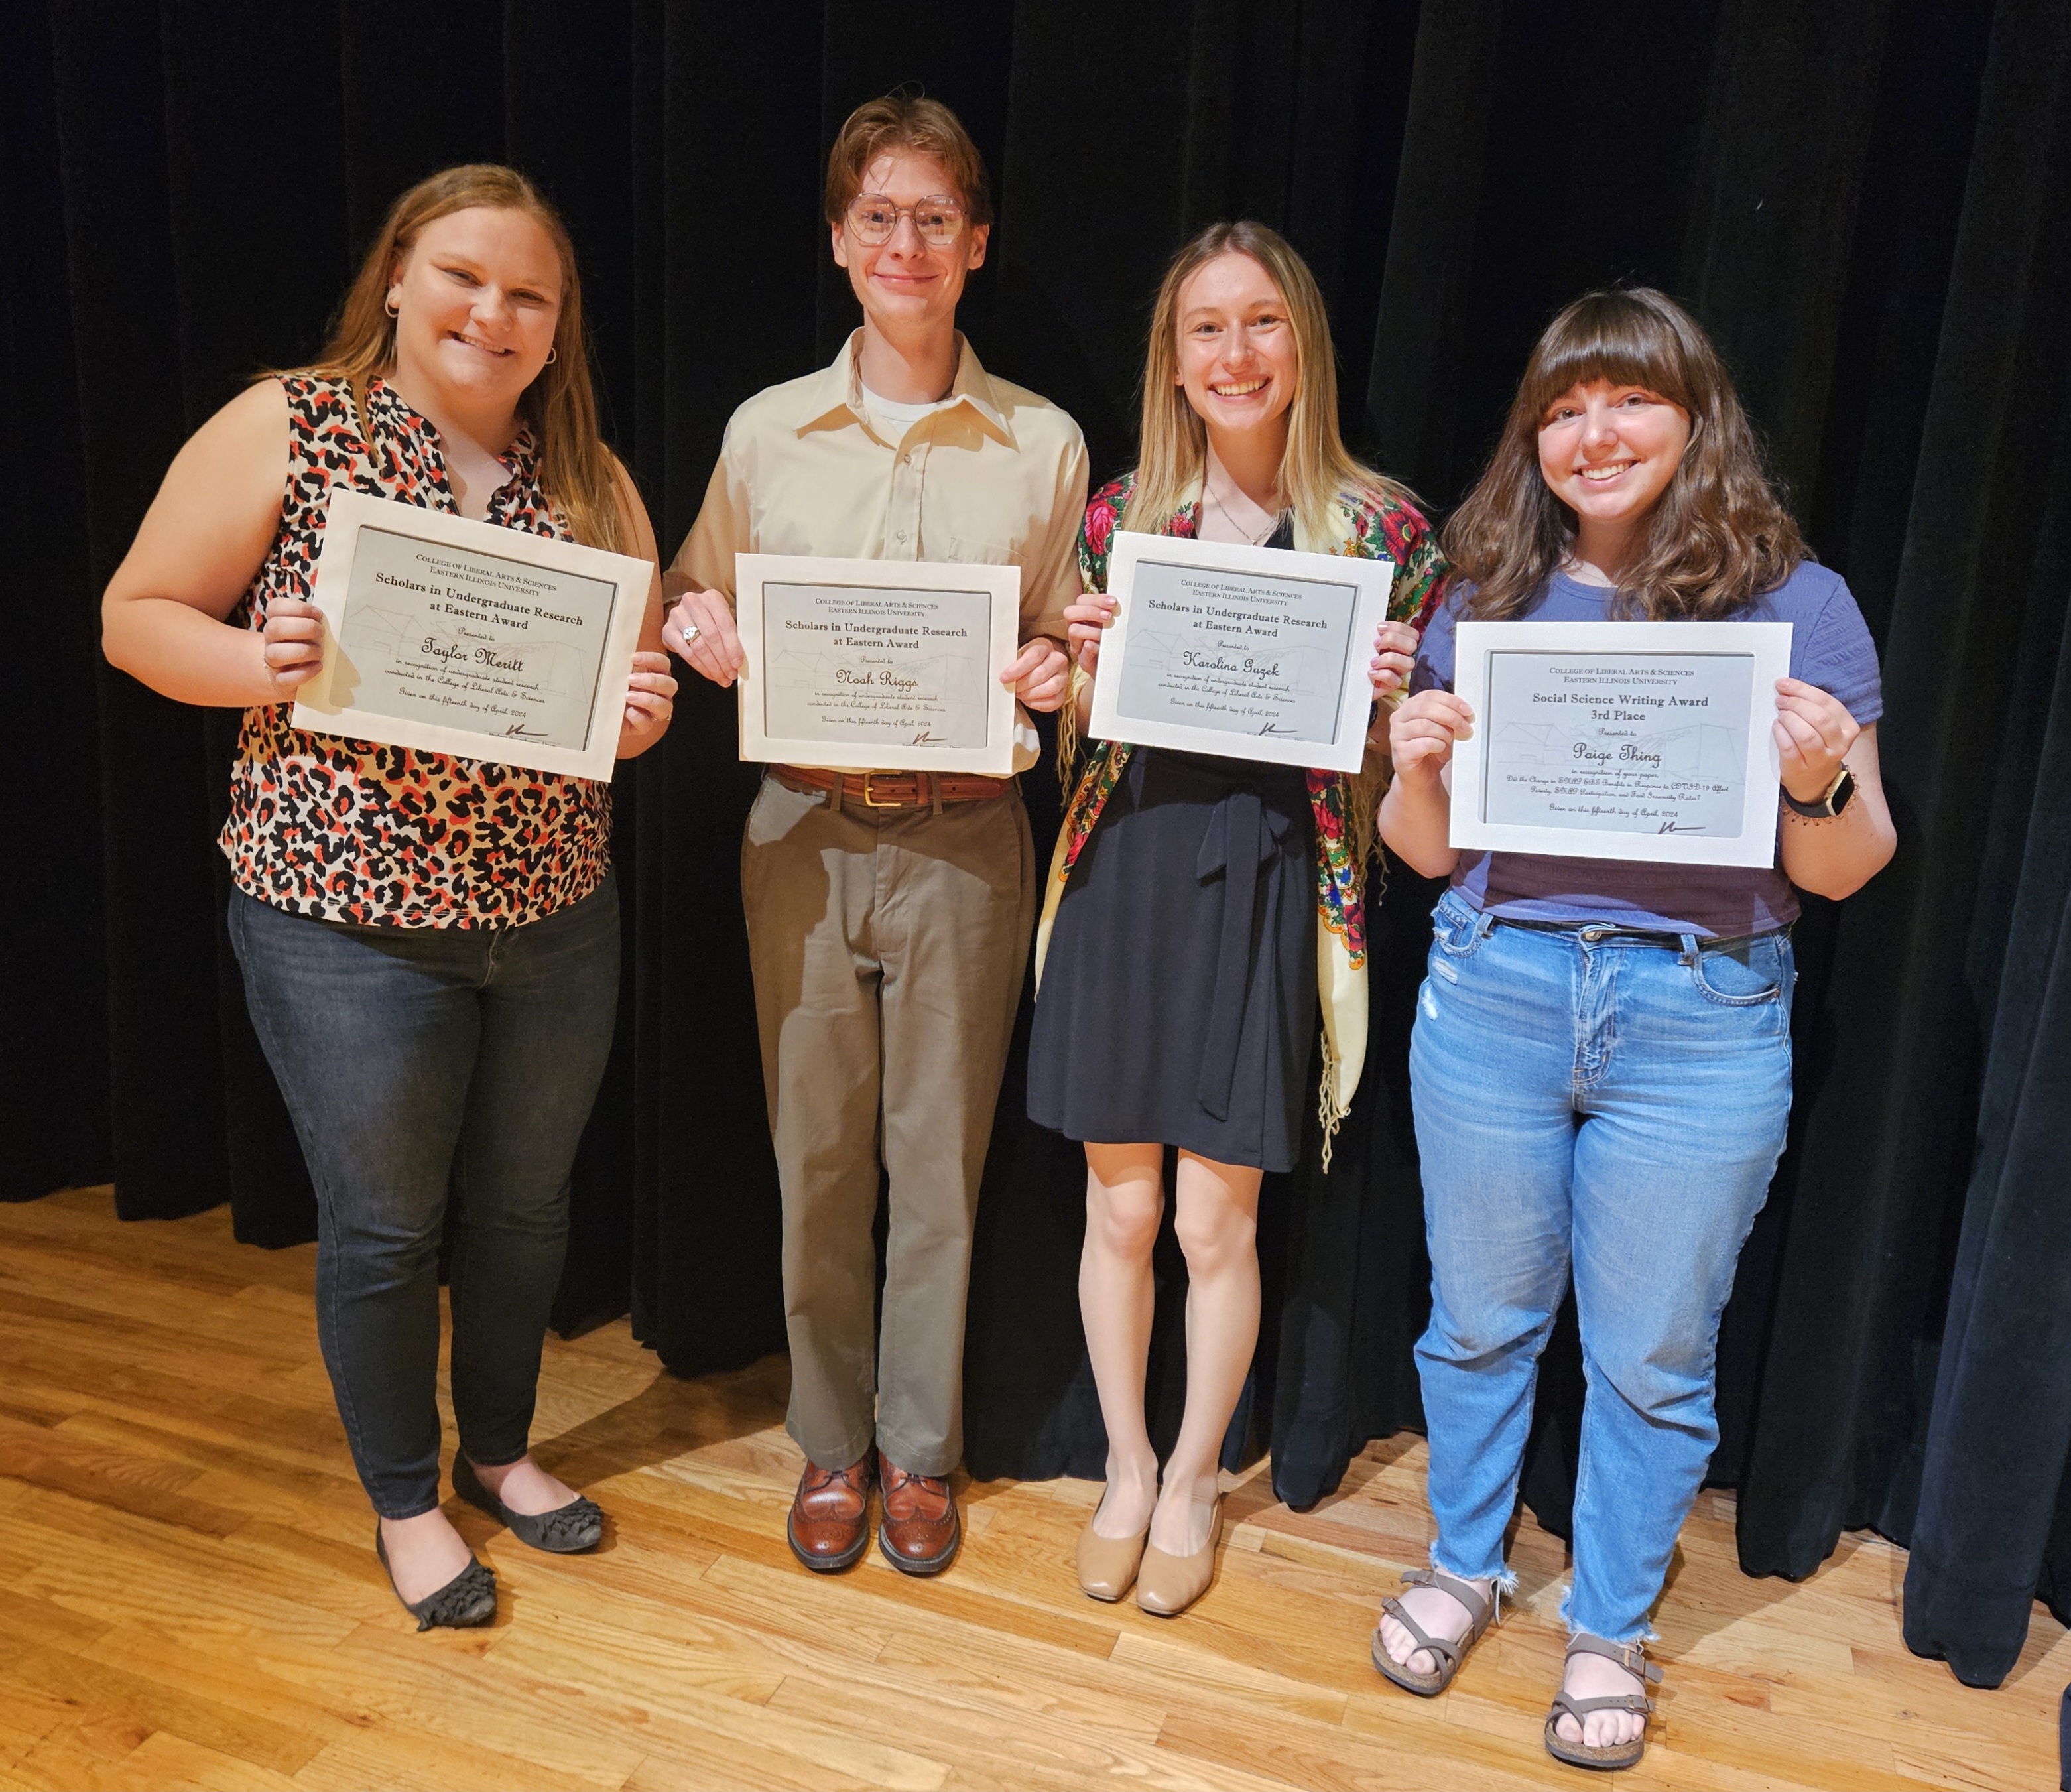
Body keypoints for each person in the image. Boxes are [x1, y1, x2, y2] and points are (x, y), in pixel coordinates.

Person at [101, 164, 675, 1632]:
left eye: (528, 292)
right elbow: (136, 615)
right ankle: (408, 1503)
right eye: (463, 277)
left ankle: (497, 1447)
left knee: (527, 1210)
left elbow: (625, 695)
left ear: (558, 325)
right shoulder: (292, 425)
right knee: (384, 1225)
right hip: (343, 918)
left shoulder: (594, 478)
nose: (493, 311)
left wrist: (639, 716)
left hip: (552, 908)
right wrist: (259, 664)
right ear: (401, 277)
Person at [1372, 288, 1895, 1770]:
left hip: (1701, 1009)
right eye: (1561, 408)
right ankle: (1463, 1559)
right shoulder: (1477, 595)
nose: (1591, 435)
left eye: (1626, 401)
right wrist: (1408, 761)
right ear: (1531, 437)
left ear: (1691, 416)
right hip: (1494, 986)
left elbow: (1844, 866)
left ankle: (1607, 1623)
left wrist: (1813, 780)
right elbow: (1424, 850)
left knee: (1653, 1355)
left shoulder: (1797, 602)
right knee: (1475, 1319)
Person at [662, 95, 1086, 1578]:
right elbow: (688, 598)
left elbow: (1066, 641)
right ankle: (828, 1443)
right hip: (799, 827)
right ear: (840, 241)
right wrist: (696, 621)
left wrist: (1056, 668)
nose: (904, 243)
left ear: (975, 244)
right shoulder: (765, 430)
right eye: (877, 217)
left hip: (968, 837)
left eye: (933, 218)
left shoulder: (1041, 441)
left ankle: (920, 1453)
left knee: (938, 1165)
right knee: (817, 1158)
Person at [1029, 222, 1444, 1618]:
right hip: (1126, 872)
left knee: (1217, 1221)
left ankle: (1199, 1473)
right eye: (1205, 327)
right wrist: (1073, 673)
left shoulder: (1381, 529)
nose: (1234, 352)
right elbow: (1081, 736)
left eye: (1260, 321)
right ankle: (1127, 1467)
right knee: (1120, 1204)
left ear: (1301, 344)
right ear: (1173, 355)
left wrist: (1393, 703)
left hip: (1268, 881)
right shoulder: (1122, 513)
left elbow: (1405, 783)